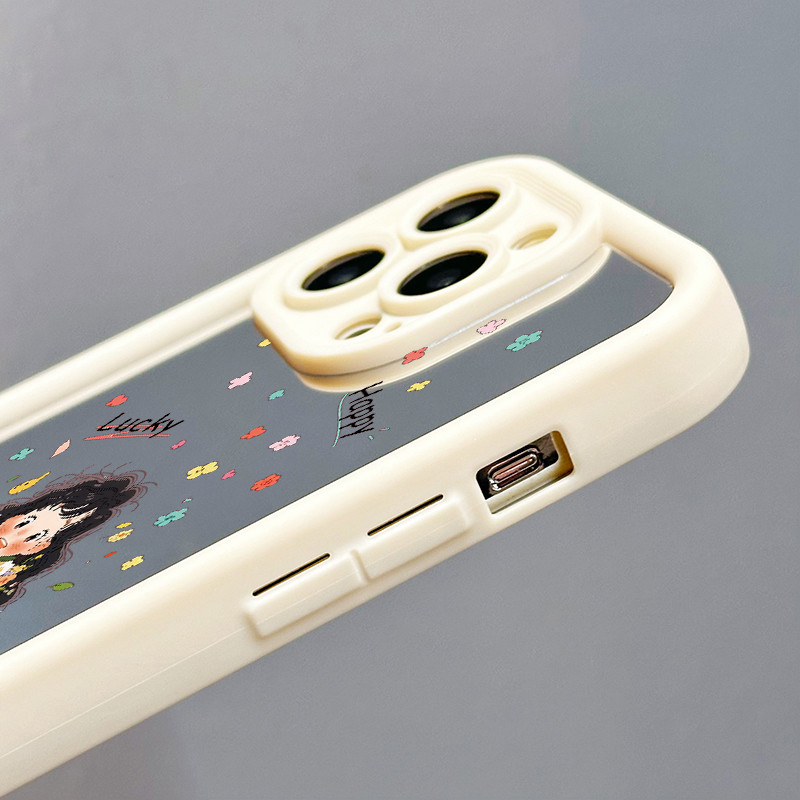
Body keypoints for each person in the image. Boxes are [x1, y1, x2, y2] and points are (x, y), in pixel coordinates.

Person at [0, 470, 147, 607]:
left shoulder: (10, 575)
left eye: (35, 537)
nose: (12, 537)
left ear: (40, 546)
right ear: (16, 516)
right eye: (25, 522)